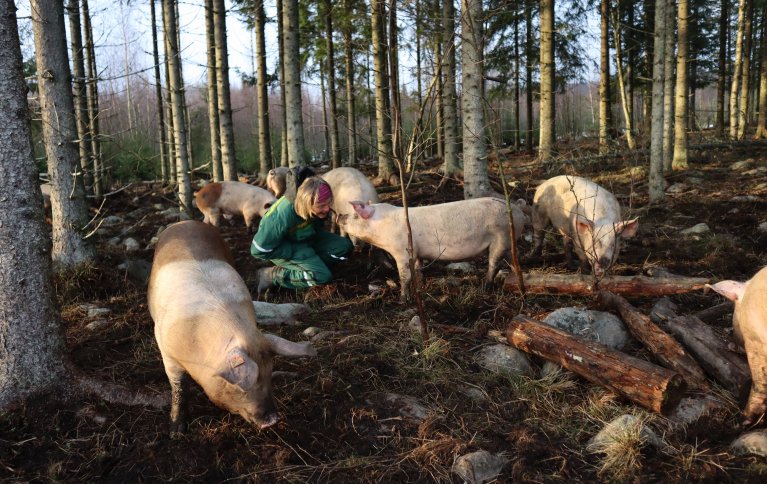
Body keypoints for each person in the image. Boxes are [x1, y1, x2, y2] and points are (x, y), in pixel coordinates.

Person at [251, 175, 353, 293]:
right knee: (322, 277)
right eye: (321, 206)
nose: (327, 209)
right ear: (306, 202)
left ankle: (312, 268)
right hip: (287, 246)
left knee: (344, 247)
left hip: (306, 237)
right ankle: (271, 275)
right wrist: (293, 251)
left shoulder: (313, 205)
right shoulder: (280, 218)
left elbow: (317, 223)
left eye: (329, 203)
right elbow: (258, 250)